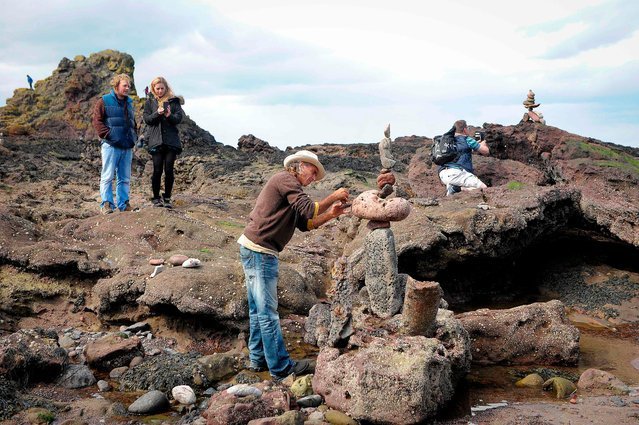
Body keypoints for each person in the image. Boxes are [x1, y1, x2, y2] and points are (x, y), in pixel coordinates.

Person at [237, 150, 350, 381]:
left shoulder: (293, 191)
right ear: (300, 166)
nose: (314, 177)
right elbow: (309, 210)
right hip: (260, 251)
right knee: (267, 313)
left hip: (255, 248)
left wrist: (332, 214)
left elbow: (306, 224)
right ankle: (281, 368)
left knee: (258, 309)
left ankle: (258, 359)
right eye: (313, 171)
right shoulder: (284, 179)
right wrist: (333, 195)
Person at [92, 73, 138, 213]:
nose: (127, 88)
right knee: (107, 176)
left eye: (129, 86)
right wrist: (109, 135)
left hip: (127, 147)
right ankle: (106, 204)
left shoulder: (129, 103)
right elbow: (97, 121)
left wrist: (133, 138)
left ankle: (124, 205)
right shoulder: (104, 101)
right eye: (125, 85)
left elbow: (132, 123)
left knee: (124, 178)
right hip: (111, 146)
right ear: (117, 85)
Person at [142, 77, 184, 208]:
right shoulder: (149, 102)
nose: (160, 91)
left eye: (162, 88)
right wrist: (157, 113)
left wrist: (168, 115)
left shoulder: (173, 102)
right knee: (157, 169)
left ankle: (167, 198)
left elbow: (178, 119)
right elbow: (147, 119)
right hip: (156, 141)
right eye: (157, 88)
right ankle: (155, 198)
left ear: (166, 88)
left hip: (171, 141)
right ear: (153, 89)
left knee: (169, 170)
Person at [438, 119, 490, 196]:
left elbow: (460, 151)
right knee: (484, 188)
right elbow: (486, 151)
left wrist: (476, 144)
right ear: (465, 129)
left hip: (443, 174)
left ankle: (454, 188)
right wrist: (484, 142)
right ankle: (456, 189)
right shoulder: (467, 140)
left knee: (460, 190)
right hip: (456, 173)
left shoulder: (446, 141)